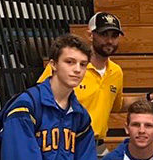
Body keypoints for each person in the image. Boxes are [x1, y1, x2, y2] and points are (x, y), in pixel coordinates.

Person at [38, 12, 125, 140]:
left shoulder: (116, 72)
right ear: (90, 35)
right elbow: (39, 98)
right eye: (104, 34)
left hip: (97, 143)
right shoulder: (67, 66)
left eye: (114, 36)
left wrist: (149, 96)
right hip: (65, 141)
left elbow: (117, 105)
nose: (110, 41)